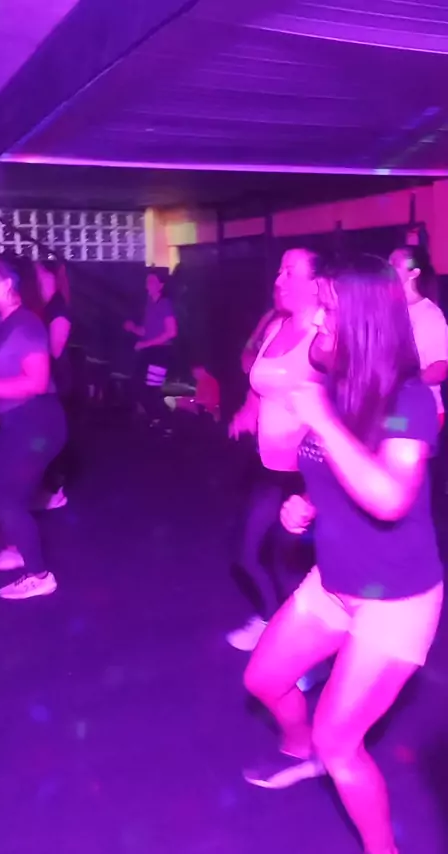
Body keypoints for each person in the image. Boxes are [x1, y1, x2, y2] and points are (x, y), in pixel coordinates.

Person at [243, 255, 443, 854]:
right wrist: (305, 503)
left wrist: (323, 422)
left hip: (396, 602)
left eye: (327, 309)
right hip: (332, 582)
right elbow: (334, 471)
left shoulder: (409, 399)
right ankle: (302, 752)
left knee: (341, 742)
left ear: (361, 319)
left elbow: (390, 497)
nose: (316, 319)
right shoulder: (336, 386)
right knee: (263, 680)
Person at [227, 248, 320, 651]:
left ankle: (303, 649)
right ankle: (273, 622)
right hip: (267, 465)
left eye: (290, 272)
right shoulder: (275, 326)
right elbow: (259, 381)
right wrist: (248, 411)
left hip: (308, 473)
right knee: (247, 553)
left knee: (291, 565)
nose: (279, 280)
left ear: (315, 284)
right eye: (279, 270)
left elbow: (348, 407)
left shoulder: (326, 337)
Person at [0, 257, 66, 600]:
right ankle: (19, 547)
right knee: (8, 487)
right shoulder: (2, 324)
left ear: (7, 284)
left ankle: (39, 575)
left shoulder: (26, 324)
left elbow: (37, 382)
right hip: (21, 421)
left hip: (37, 421)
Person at [389, 245, 448, 429]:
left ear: (414, 272)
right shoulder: (390, 309)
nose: (388, 267)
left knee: (388, 432)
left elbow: (440, 369)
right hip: (395, 407)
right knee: (376, 431)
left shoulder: (429, 314)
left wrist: (402, 382)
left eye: (395, 263)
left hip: (423, 412)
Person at [35, 259, 72, 509]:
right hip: (49, 380)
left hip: (57, 380)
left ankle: (54, 491)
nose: (38, 280)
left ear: (50, 278)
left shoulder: (58, 307)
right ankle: (48, 487)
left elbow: (55, 350)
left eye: (41, 275)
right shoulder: (46, 306)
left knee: (52, 435)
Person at [124, 271, 177, 430]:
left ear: (161, 285)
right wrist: (133, 328)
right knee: (138, 386)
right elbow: (147, 332)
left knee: (151, 390)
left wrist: (145, 344)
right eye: (147, 280)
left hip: (160, 352)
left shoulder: (165, 303)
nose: (148, 283)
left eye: (152, 281)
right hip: (150, 352)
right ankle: (158, 419)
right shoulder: (150, 304)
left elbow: (171, 332)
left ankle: (165, 422)